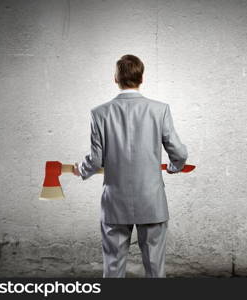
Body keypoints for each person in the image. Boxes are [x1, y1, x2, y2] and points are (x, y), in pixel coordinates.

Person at [72, 54, 188, 278]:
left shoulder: (99, 113)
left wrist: (81, 170)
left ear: (116, 78)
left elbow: (96, 160)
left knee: (113, 271)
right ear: (141, 78)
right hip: (151, 201)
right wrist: (175, 167)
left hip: (115, 202)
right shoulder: (159, 110)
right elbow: (180, 153)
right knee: (155, 271)